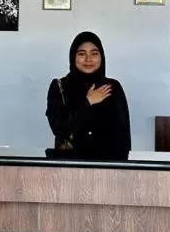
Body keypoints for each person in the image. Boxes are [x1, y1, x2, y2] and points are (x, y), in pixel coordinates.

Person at [45, 31, 131, 160]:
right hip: (69, 164)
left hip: (107, 165)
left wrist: (119, 168)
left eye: (94, 53)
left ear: (101, 57)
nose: (88, 59)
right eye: (81, 54)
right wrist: (87, 101)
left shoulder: (112, 87)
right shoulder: (59, 87)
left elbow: (123, 138)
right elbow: (59, 129)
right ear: (73, 57)